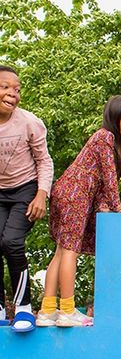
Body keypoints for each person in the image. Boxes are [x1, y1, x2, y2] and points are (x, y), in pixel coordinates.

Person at [37, 95, 121, 327]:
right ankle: (67, 310)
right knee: (71, 252)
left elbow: (102, 182)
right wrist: (116, 205)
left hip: (67, 190)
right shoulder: (105, 136)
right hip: (75, 194)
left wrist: (106, 207)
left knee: (61, 252)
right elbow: (109, 177)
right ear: (113, 116)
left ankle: (47, 310)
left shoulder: (105, 139)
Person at [0, 66, 54, 329]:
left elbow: (44, 161)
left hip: (25, 189)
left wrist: (41, 195)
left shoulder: (30, 123)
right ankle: (0, 308)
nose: (12, 93)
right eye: (5, 87)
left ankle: (23, 308)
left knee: (11, 242)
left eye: (17, 89)